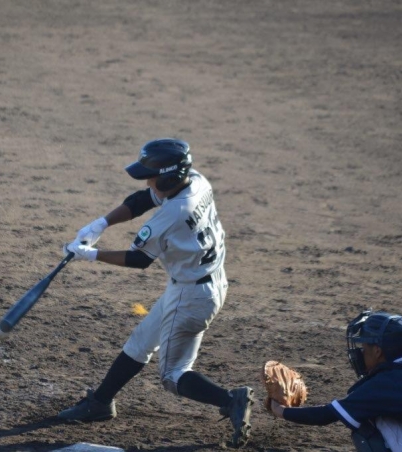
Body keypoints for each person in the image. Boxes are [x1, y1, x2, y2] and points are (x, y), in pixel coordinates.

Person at [56, 138, 254, 447]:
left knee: (173, 375)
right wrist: (101, 223)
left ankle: (230, 400)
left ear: (169, 178)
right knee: (140, 342)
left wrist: (90, 255)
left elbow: (139, 259)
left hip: (191, 297)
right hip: (204, 283)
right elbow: (142, 200)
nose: (148, 182)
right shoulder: (196, 181)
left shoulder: (174, 214)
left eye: (152, 177)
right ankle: (100, 402)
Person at [270, 310, 402, 452]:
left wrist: (280, 410)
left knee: (366, 419)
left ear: (378, 351)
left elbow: (327, 415)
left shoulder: (385, 382)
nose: (361, 353)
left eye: (364, 348)